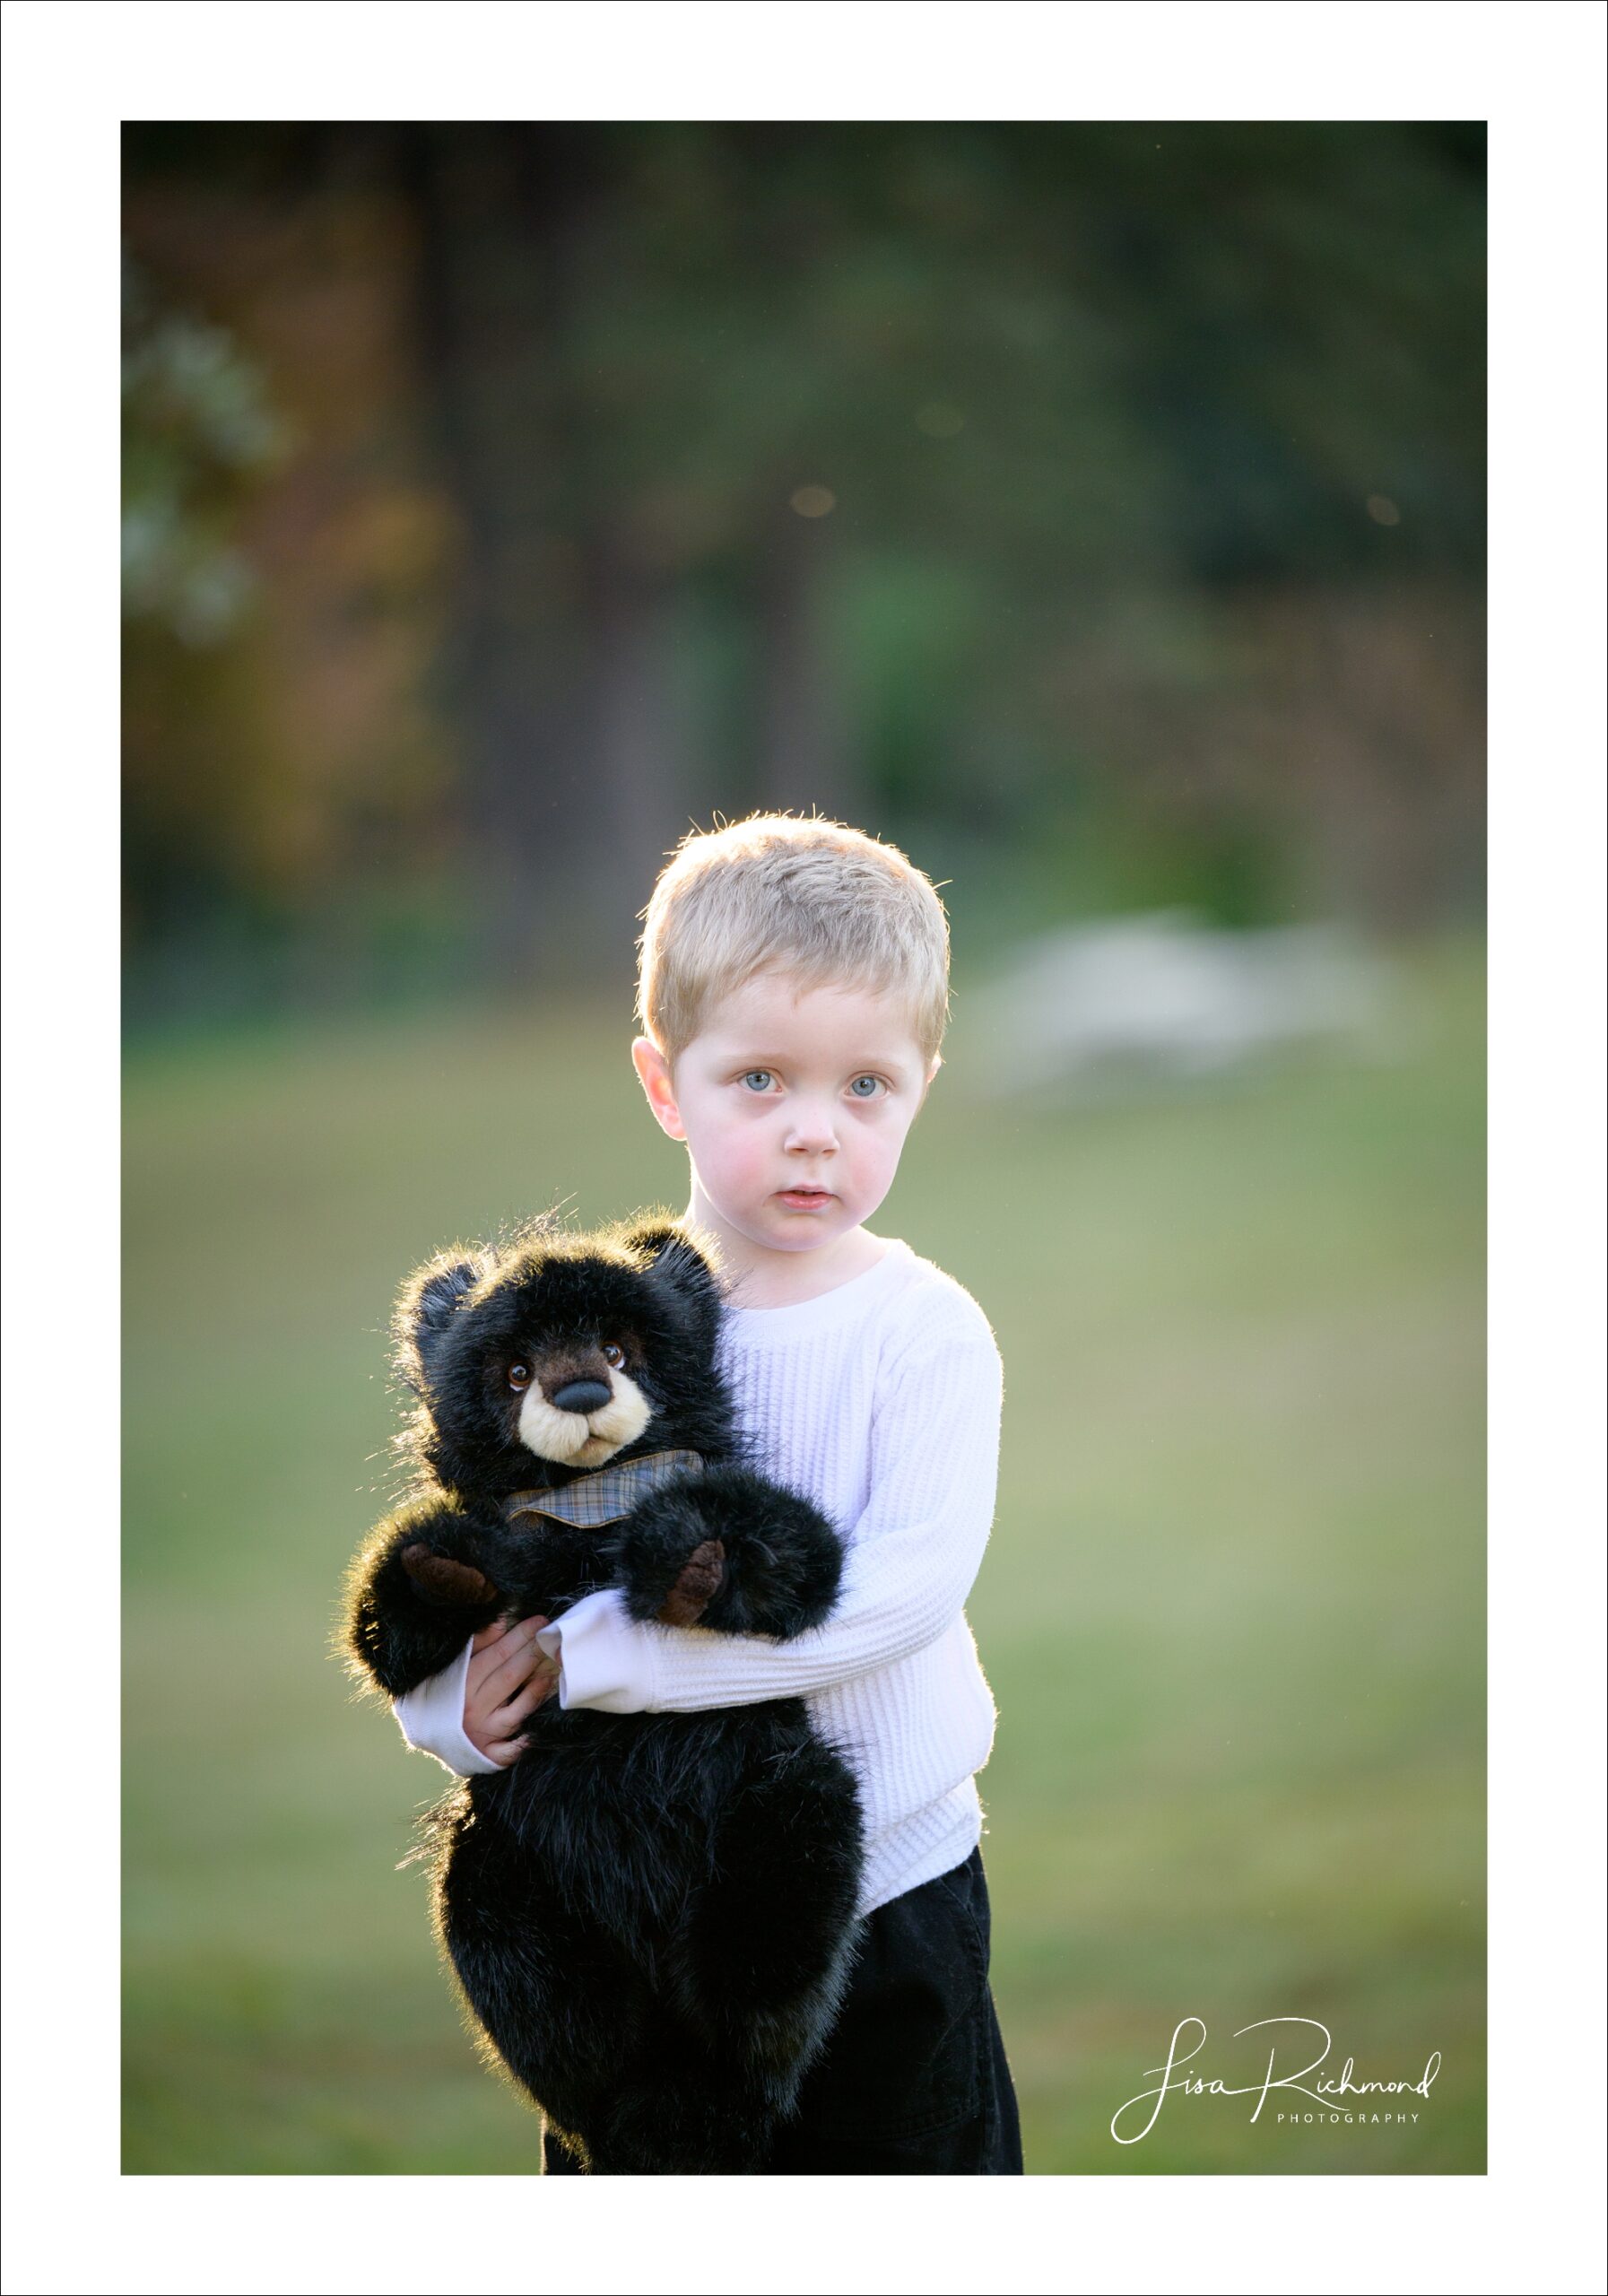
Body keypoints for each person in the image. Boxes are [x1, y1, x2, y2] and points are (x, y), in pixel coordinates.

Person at [393, 813, 1022, 2175]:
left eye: (867, 1087)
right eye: (759, 1081)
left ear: (924, 1080)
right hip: (617, 1906)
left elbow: (900, 1597)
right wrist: (454, 1706)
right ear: (664, 1084)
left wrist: (595, 1664)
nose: (815, 1134)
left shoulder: (922, 1331)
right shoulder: (605, 1328)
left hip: (879, 1900)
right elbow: (489, 1556)